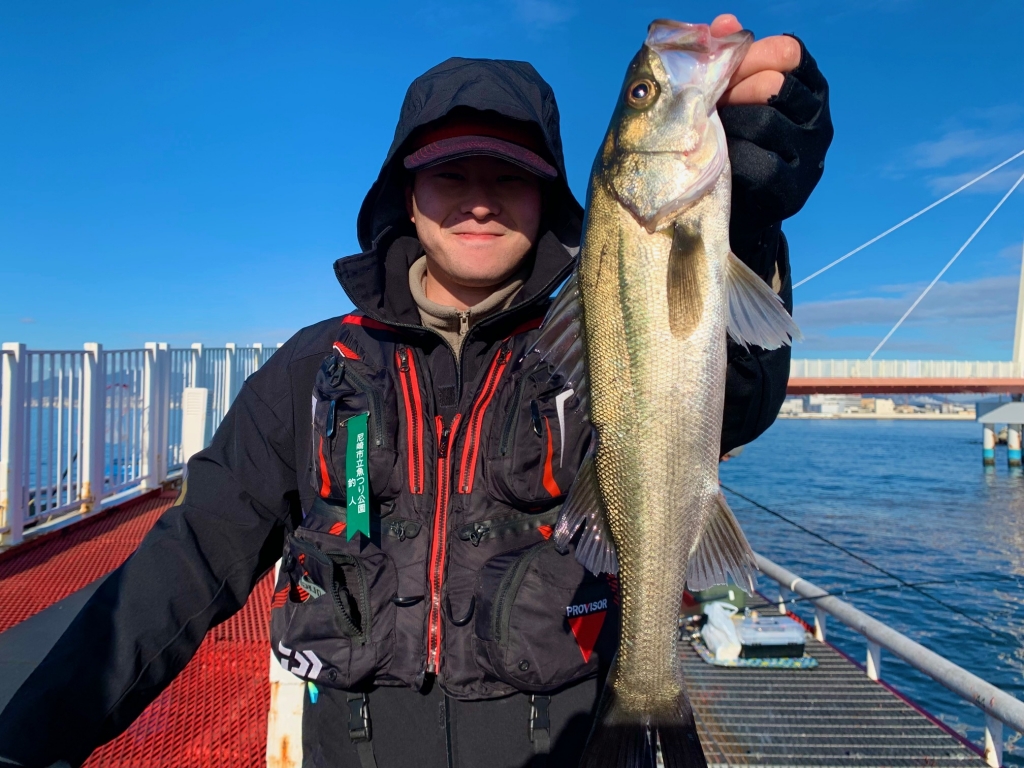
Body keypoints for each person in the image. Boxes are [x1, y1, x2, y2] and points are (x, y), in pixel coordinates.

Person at [0, 13, 832, 768]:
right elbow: (189, 557)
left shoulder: (588, 344)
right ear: (406, 190)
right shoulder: (313, 368)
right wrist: (28, 737)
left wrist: (750, 225)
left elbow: (735, 398)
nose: (479, 201)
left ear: (549, 195)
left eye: (508, 175)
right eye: (449, 174)